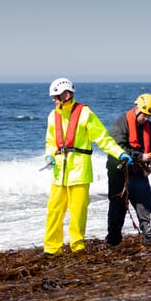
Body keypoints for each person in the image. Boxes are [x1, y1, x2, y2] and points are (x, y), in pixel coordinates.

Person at [42, 78, 132, 257]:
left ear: (66, 94)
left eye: (56, 96)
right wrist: (49, 155)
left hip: (80, 172)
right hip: (59, 172)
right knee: (54, 210)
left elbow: (102, 138)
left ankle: (77, 246)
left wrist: (118, 153)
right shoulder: (53, 116)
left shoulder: (85, 113)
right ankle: (52, 249)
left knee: (78, 211)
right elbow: (51, 141)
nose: (53, 100)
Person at [105, 93, 151, 247]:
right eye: (145, 115)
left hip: (139, 173)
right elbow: (117, 148)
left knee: (146, 208)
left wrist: (150, 165)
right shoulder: (120, 124)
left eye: (150, 115)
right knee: (117, 209)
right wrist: (139, 156)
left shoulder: (149, 126)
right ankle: (113, 242)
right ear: (137, 108)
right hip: (119, 173)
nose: (147, 118)